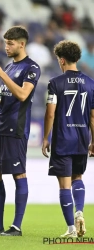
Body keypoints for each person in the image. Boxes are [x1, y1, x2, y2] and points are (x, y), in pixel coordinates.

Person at [0, 26, 41, 236]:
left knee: (18, 174)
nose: (6, 47)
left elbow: (22, 95)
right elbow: (8, 98)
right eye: (5, 43)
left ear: (22, 44)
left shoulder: (32, 68)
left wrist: (2, 75)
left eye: (10, 43)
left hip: (16, 128)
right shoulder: (10, 67)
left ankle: (16, 227)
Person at [42, 40, 94, 237]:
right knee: (77, 178)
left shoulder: (55, 83)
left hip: (63, 139)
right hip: (81, 139)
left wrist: (46, 137)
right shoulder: (90, 83)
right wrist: (93, 141)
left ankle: (72, 228)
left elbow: (50, 114)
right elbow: (92, 117)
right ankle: (79, 211)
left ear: (62, 60)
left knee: (64, 184)